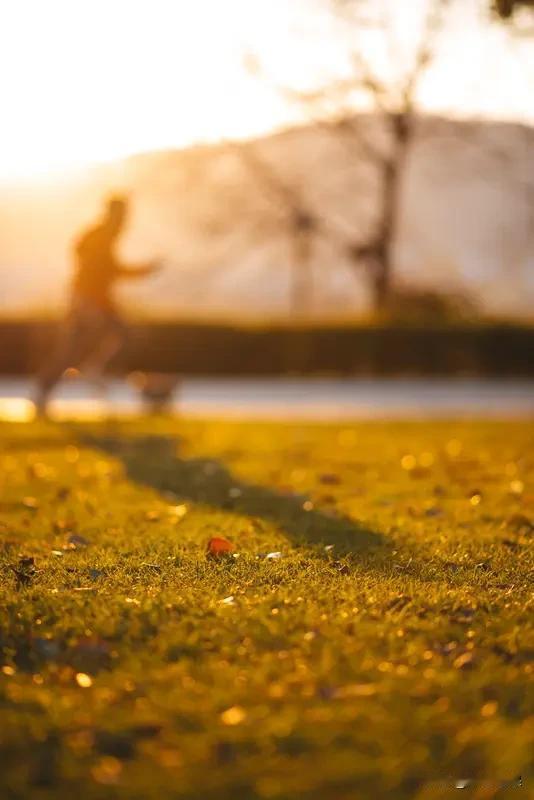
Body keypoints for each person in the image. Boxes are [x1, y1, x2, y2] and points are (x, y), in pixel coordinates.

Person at [34, 194, 161, 415]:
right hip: (88, 300)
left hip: (99, 301)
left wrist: (141, 271)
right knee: (72, 349)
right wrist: (85, 302)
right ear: (113, 214)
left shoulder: (105, 236)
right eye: (122, 214)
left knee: (121, 335)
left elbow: (109, 269)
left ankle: (95, 370)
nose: (125, 220)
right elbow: (101, 267)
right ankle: (47, 391)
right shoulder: (99, 236)